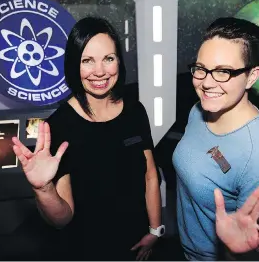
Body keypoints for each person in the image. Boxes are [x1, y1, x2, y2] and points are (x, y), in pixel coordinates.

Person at [11, 17, 163, 261]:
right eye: (87, 61)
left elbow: (150, 174)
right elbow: (61, 219)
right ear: (74, 65)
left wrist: (155, 230)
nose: (100, 71)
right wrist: (43, 188)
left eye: (108, 59)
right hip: (88, 249)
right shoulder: (58, 126)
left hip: (138, 240)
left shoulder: (135, 110)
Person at [172, 17, 259, 261]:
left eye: (224, 71)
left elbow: (253, 247)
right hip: (182, 248)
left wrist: (235, 253)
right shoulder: (199, 110)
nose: (206, 82)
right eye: (201, 68)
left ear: (252, 76)